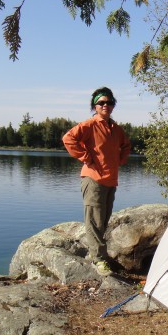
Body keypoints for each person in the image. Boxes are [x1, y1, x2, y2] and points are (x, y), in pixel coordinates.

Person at [62, 87, 131, 275]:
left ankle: (98, 255)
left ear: (113, 105)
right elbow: (68, 139)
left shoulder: (116, 129)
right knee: (93, 221)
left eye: (109, 102)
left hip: (111, 180)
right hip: (93, 179)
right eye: (101, 102)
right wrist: (85, 156)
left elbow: (126, 145)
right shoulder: (90, 125)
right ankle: (99, 260)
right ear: (95, 106)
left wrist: (120, 159)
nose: (105, 105)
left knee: (102, 221)